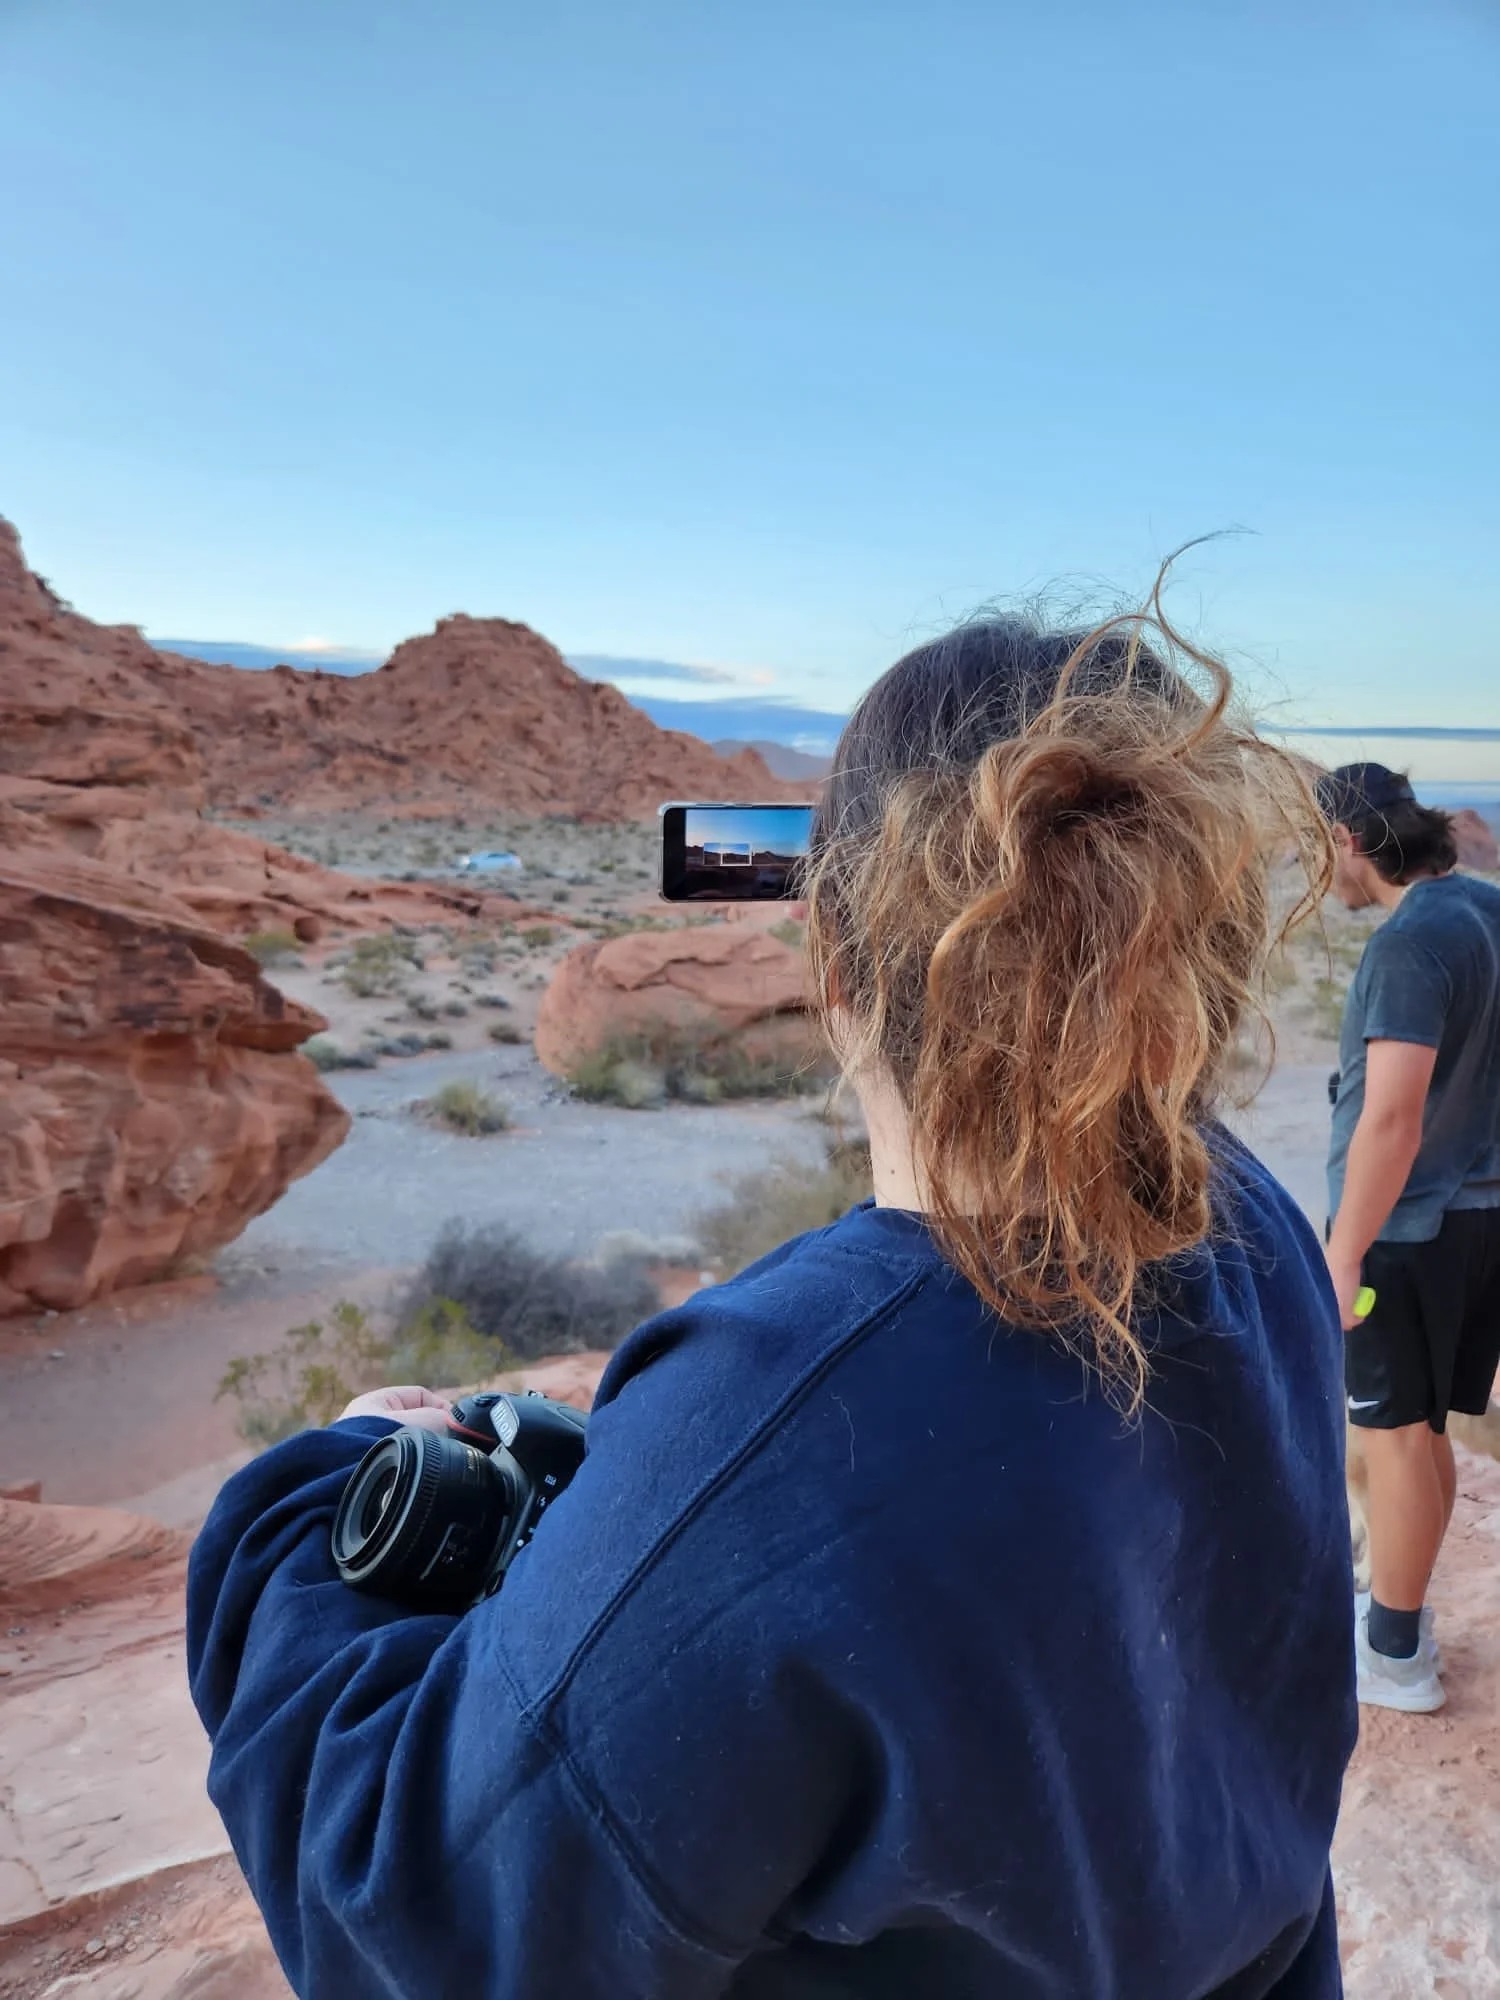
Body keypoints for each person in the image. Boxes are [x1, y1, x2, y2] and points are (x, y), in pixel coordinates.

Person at [188, 603, 1356, 1999]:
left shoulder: (787, 1430)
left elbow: (416, 1914)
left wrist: (308, 1507)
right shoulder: (1255, 1235)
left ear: (836, 966)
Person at [1319, 762, 1500, 1715]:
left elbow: (1391, 1120)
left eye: (1323, 853)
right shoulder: (1485, 910)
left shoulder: (1406, 949)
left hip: (1403, 1231)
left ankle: (1393, 1655)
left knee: (1388, 1435)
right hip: (1478, 1221)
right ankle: (1401, 1613)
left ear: (1350, 843)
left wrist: (1343, 1253)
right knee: (1419, 1428)